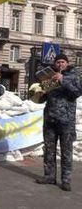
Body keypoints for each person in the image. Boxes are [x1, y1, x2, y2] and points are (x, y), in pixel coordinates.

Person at [35, 53, 82, 191]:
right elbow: (43, 97)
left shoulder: (74, 76)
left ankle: (66, 180)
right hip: (50, 119)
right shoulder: (50, 76)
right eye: (57, 62)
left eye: (62, 62)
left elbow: (77, 93)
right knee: (49, 150)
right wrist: (40, 93)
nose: (60, 64)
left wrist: (63, 80)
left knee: (66, 152)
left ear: (67, 63)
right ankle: (49, 176)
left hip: (66, 121)